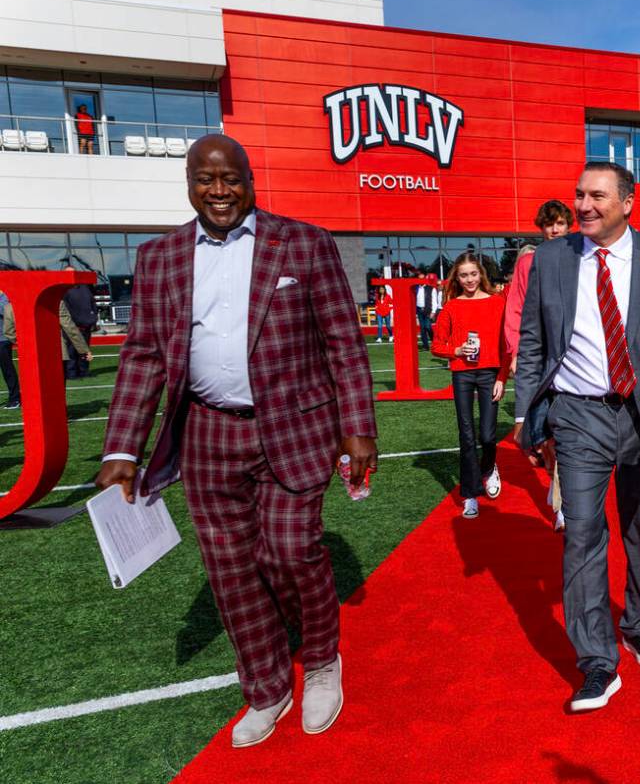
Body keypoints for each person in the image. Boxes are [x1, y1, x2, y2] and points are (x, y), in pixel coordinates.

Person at [95, 135, 378, 747]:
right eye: (205, 179)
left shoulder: (303, 243)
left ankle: (322, 662)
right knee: (229, 569)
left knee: (288, 551)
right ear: (190, 182)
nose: (218, 191)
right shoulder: (160, 257)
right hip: (205, 433)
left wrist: (357, 429)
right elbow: (143, 356)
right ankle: (267, 688)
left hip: (295, 428)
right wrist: (121, 449)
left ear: (251, 179)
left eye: (231, 178)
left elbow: (344, 345)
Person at [513, 161, 640, 711]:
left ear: (627, 202)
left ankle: (639, 622)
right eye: (578, 195)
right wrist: (526, 413)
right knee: (582, 535)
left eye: (597, 196)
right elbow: (532, 343)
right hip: (578, 416)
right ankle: (597, 661)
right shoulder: (549, 259)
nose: (583, 206)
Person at [503, 199, 574, 531]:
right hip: (538, 357)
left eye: (560, 223)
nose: (555, 230)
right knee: (542, 434)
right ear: (541, 228)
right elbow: (515, 308)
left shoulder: (581, 256)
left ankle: (563, 504)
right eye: (549, 224)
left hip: (571, 357)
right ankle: (555, 485)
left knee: (565, 435)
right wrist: (516, 350)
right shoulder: (528, 263)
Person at [431, 252, 509, 518]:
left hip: (489, 374)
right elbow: (436, 346)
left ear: (481, 274)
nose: (469, 280)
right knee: (466, 436)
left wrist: (501, 378)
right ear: (457, 277)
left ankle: (488, 468)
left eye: (473, 274)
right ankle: (470, 494)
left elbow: (506, 345)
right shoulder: (452, 307)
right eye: (463, 275)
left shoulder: (498, 303)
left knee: (487, 435)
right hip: (462, 374)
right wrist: (457, 350)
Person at [62, 266, 99, 378]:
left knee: (84, 350)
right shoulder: (63, 289)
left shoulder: (85, 287)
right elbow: (65, 310)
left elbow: (92, 303)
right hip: (72, 326)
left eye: (73, 273)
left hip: (86, 325)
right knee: (71, 352)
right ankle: (71, 373)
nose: (71, 275)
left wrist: (94, 319)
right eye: (68, 273)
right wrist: (71, 325)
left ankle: (84, 371)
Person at [0, 292, 18, 408]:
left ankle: (15, 398)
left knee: (7, 370)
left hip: (2, 338)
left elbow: (7, 311)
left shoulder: (3, 295)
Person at [415, 275, 441, 349]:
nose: (420, 280)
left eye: (422, 279)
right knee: (422, 328)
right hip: (419, 310)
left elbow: (434, 301)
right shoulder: (416, 288)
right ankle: (425, 345)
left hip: (428, 310)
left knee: (428, 327)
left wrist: (433, 312)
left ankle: (434, 342)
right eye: (419, 279)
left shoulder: (431, 288)